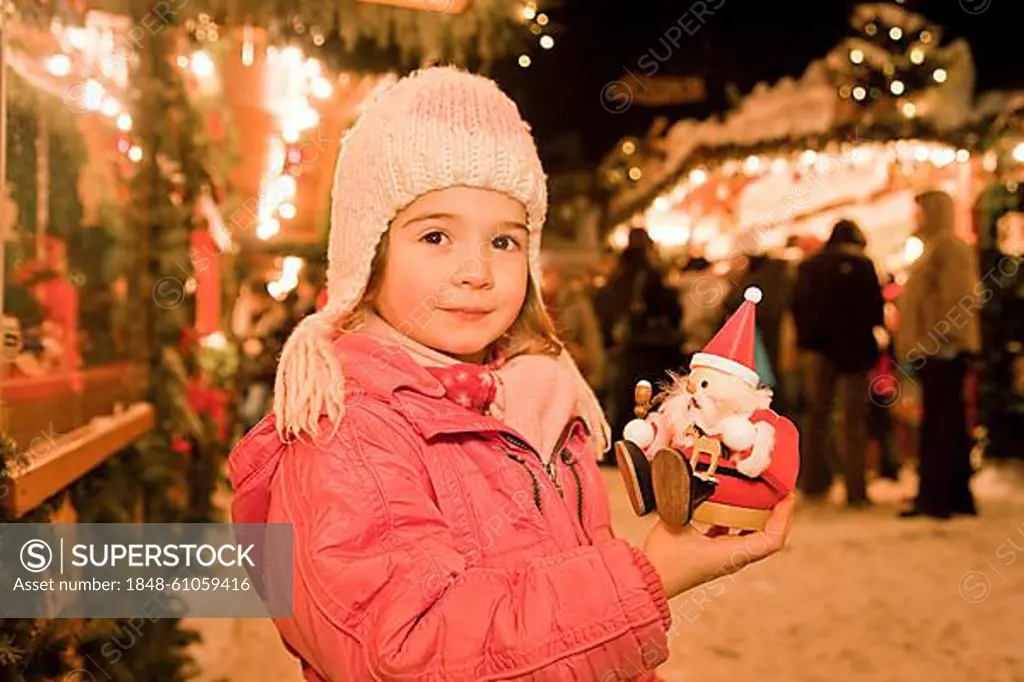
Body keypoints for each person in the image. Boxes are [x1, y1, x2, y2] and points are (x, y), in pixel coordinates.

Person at [227, 67, 793, 682]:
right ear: (369, 254)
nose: (477, 270)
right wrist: (646, 578)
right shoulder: (346, 428)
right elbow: (404, 652)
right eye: (436, 235)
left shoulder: (543, 398)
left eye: (504, 242)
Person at [896, 190, 981, 519]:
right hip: (939, 350)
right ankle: (951, 494)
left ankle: (939, 496)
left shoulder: (947, 249)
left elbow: (956, 300)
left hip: (942, 352)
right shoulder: (937, 248)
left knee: (940, 424)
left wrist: (938, 340)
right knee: (946, 422)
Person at [792, 219, 885, 507]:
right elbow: (875, 310)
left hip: (820, 352)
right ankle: (855, 490)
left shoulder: (810, 266)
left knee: (817, 416)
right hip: (855, 353)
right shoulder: (863, 266)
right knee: (852, 420)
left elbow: (797, 306)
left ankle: (814, 483)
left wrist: (808, 339)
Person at [595, 227, 685, 444]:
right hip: (651, 349)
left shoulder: (618, 273)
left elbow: (604, 307)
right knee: (648, 397)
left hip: (624, 347)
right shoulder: (651, 274)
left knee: (622, 397)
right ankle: (647, 442)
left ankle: (619, 443)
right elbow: (671, 310)